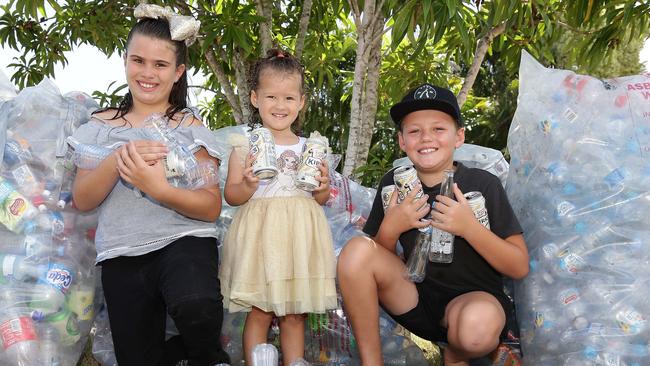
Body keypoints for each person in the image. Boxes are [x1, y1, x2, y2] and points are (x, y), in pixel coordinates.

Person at [69, 5, 230, 366]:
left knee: (197, 306)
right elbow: (83, 198)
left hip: (184, 242)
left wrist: (158, 189)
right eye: (138, 61)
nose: (147, 73)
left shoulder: (191, 127)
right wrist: (117, 159)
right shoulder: (98, 127)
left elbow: (209, 205)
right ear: (125, 60)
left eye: (160, 65)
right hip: (122, 255)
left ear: (178, 72)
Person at [337, 83, 529, 366]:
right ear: (402, 141)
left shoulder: (481, 184)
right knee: (355, 250)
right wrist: (392, 227)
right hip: (415, 300)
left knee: (475, 331)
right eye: (414, 131)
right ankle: (371, 362)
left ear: (458, 136)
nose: (426, 138)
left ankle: (455, 354)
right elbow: (374, 261)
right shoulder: (394, 184)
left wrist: (469, 227)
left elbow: (519, 265)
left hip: (475, 302)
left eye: (439, 129)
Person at [219, 49, 337, 364]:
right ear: (256, 98)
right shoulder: (244, 145)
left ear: (301, 102)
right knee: (259, 310)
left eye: (288, 98)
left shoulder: (311, 147)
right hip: (260, 237)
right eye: (271, 97)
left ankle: (294, 360)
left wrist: (323, 189)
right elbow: (231, 195)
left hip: (299, 238)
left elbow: (320, 199)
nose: (280, 105)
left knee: (295, 312)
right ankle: (256, 360)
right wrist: (246, 184)